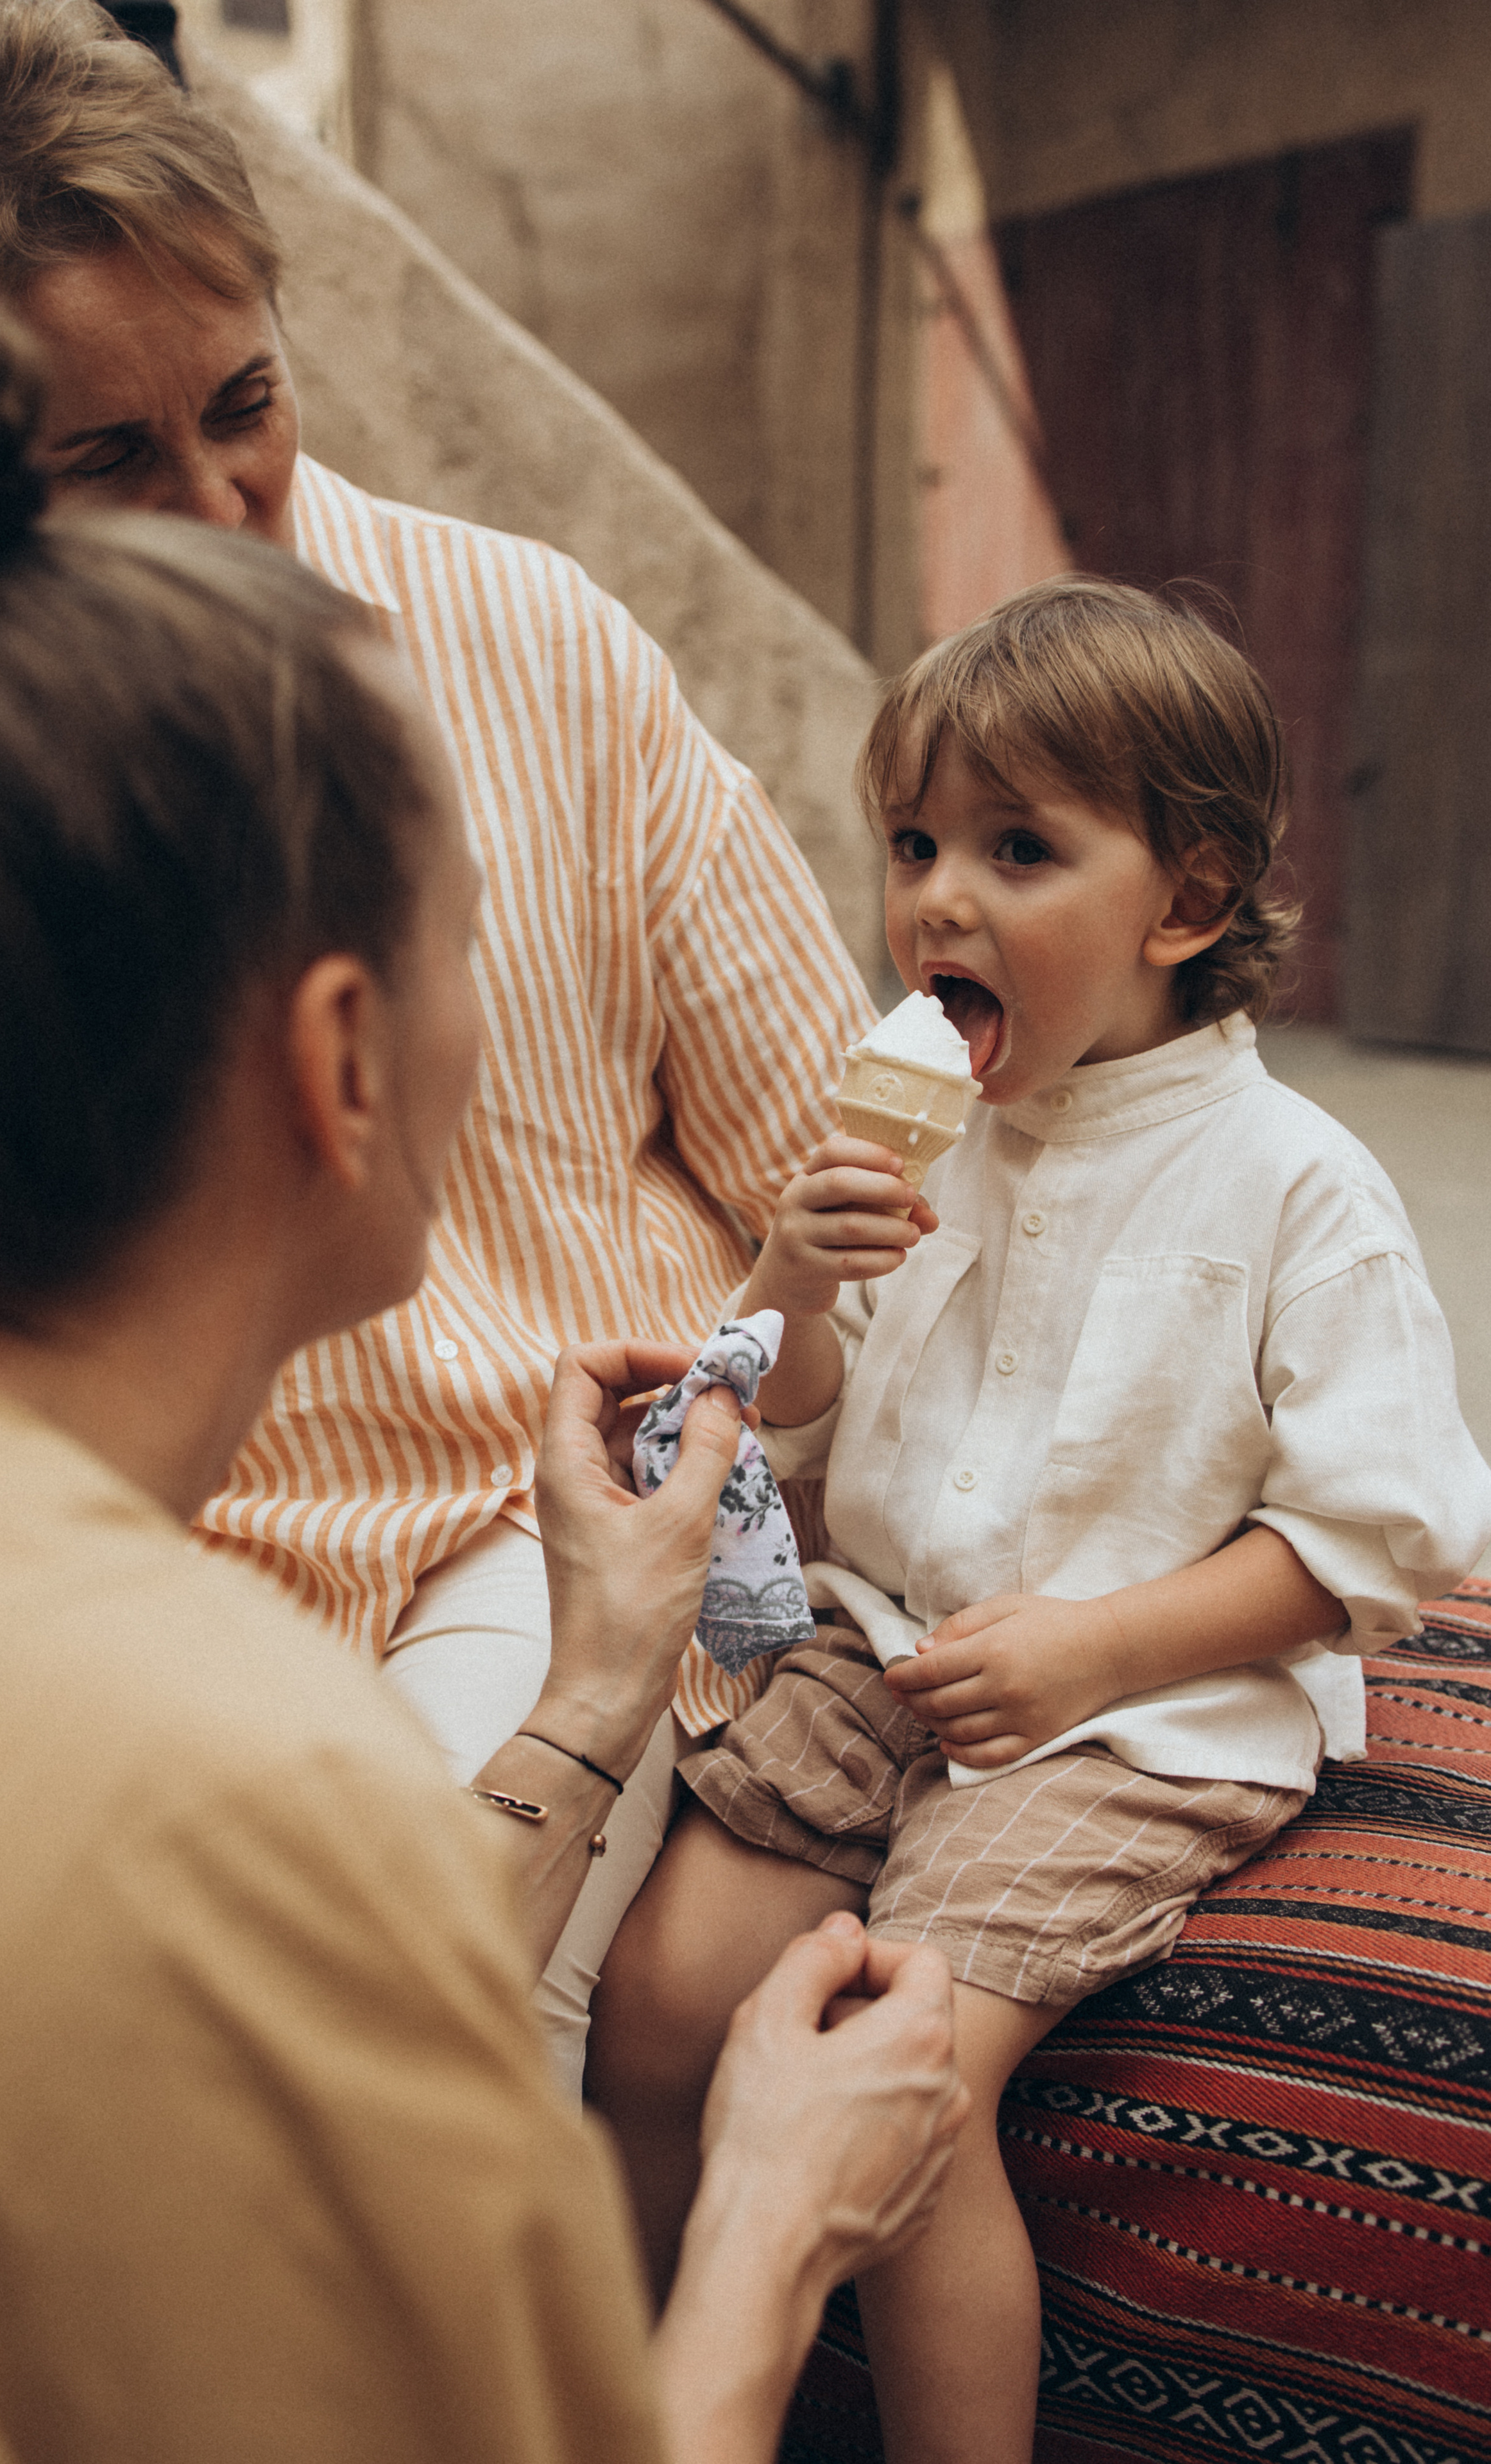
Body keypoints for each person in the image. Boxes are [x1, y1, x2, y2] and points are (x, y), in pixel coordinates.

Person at [0, 275, 966, 2464]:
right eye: (471, 941)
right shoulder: (251, 1786)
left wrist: (575, 1691)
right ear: (343, 1060)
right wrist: (771, 2215)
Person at [0, 0, 877, 2092]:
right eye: (109, 459)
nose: (227, 502)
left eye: (248, 403)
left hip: (565, 1518)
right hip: (132, 1588)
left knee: (413, 2000)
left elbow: (833, 1181)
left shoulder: (534, 646)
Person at [588, 579, 1491, 2464]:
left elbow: (1382, 1544)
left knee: (899, 2084)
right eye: (915, 842)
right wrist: (793, 1276)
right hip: (885, 1625)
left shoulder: (1295, 1188)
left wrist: (1095, 1644)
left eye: (1017, 848)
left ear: (1186, 901)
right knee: (663, 1997)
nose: (935, 900)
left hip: (1139, 1707)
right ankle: (621, 2404)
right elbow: (821, 1437)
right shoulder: (918, 1136)